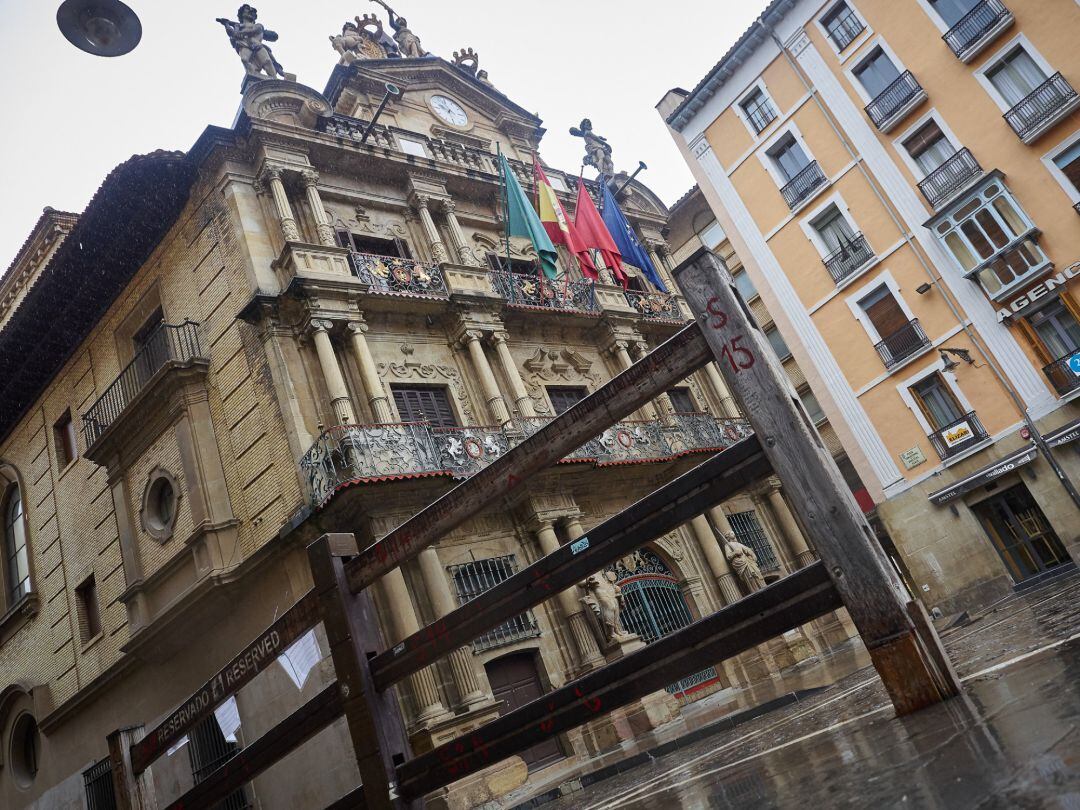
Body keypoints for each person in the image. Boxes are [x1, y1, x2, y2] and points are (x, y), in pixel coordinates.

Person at [216, 5, 284, 79]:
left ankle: (274, 79)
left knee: (267, 61)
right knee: (244, 60)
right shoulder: (238, 26)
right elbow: (232, 35)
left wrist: (239, 31)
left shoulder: (258, 26)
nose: (250, 12)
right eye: (247, 9)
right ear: (242, 14)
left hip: (257, 45)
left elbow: (252, 31)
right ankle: (254, 76)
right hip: (244, 45)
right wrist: (226, 24)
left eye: (251, 12)